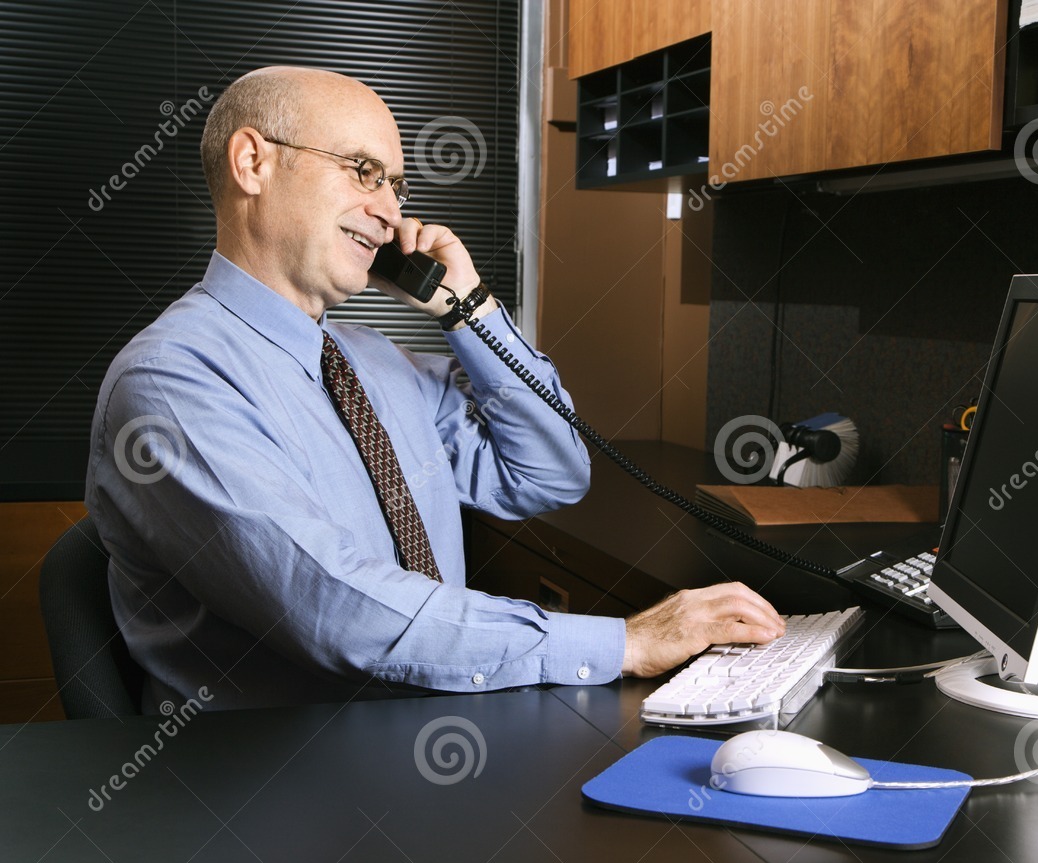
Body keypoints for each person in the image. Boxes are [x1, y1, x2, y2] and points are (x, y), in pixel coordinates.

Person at [86, 66, 784, 712]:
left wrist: (469, 310)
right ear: (253, 162)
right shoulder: (172, 383)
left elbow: (550, 474)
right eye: (364, 172)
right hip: (276, 791)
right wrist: (623, 643)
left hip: (424, 748)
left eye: (397, 186)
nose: (390, 213)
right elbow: (334, 608)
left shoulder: (377, 365)